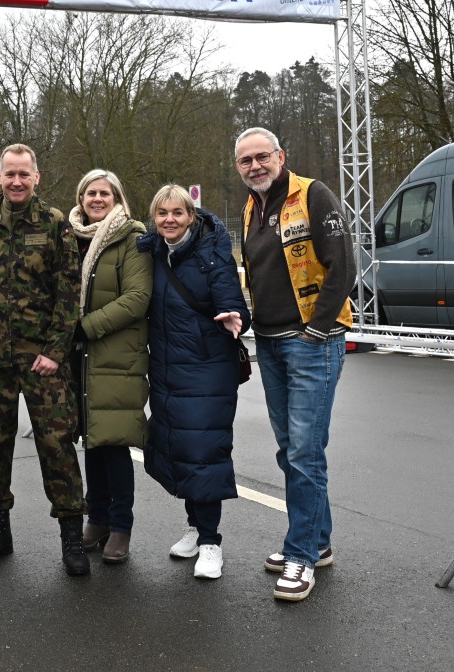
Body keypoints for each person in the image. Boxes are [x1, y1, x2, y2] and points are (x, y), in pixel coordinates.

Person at [235, 127, 356, 601]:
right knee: (292, 450)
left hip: (310, 342)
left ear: (280, 155)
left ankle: (301, 556)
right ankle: (318, 543)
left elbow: (343, 265)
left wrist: (318, 328)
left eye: (262, 157)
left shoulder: (313, 195)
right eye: (245, 161)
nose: (254, 166)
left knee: (305, 451)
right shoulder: (251, 207)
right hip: (268, 342)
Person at [0, 143, 89, 576]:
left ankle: (72, 535)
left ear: (37, 177)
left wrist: (55, 352)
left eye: (24, 174)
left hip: (43, 360)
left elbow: (68, 295)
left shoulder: (55, 225)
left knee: (57, 446)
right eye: (9, 174)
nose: (16, 181)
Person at [137, 184, 251, 580]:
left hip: (207, 367)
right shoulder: (150, 251)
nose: (170, 219)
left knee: (204, 452)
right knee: (179, 448)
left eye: (178, 213)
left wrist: (235, 316)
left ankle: (211, 543)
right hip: (168, 368)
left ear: (191, 215)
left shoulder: (211, 252)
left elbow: (230, 298)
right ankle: (194, 527)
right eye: (162, 213)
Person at [67, 169, 151, 565]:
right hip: (81, 359)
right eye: (89, 193)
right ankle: (96, 518)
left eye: (104, 193)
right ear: (81, 199)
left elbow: (137, 298)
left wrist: (85, 327)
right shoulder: (73, 239)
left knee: (114, 444)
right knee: (91, 441)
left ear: (117, 198)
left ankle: (121, 527)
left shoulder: (130, 239)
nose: (96, 199)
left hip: (116, 356)